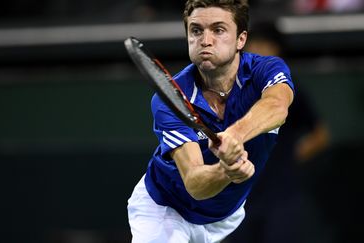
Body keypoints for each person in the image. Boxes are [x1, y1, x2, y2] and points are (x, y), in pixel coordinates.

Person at [127, 1, 295, 242]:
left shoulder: (265, 69)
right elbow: (195, 185)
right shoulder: (169, 99)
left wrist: (235, 135)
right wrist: (227, 170)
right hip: (167, 208)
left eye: (218, 30)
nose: (205, 40)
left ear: (241, 39)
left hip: (225, 216)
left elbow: (278, 106)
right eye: (196, 30)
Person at [225, 21, 331, 243]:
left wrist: (287, 158)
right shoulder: (229, 92)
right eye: (256, 44)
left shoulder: (289, 90)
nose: (261, 50)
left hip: (282, 197)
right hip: (240, 199)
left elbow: (320, 135)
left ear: (278, 51)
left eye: (267, 45)